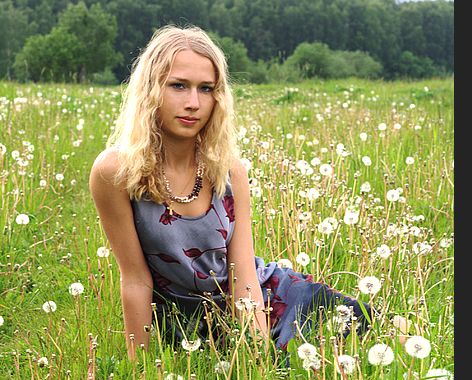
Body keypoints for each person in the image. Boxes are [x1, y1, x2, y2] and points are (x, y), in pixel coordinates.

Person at [89, 25, 370, 362]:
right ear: (150, 90)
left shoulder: (228, 171)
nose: (193, 103)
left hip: (259, 298)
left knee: (358, 327)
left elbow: (244, 275)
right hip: (182, 321)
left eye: (205, 89)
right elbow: (135, 278)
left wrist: (256, 358)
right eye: (178, 86)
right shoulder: (114, 172)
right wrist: (139, 368)